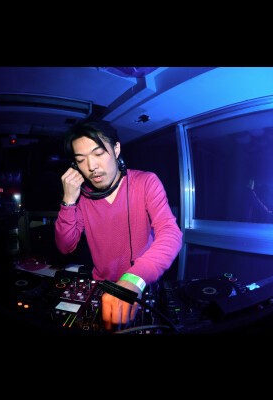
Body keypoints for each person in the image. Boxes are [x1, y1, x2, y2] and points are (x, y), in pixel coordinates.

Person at [55, 120, 183, 331]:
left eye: (98, 153)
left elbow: (170, 233)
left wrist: (134, 279)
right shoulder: (82, 198)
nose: (91, 167)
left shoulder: (146, 182)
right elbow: (65, 246)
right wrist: (68, 200)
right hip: (102, 288)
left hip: (141, 283)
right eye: (81, 160)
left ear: (116, 149)